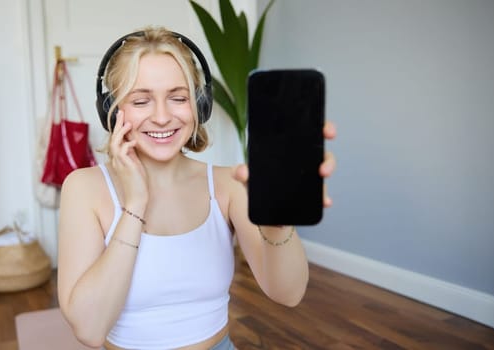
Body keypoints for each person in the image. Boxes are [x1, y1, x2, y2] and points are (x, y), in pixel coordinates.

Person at [57, 26, 337, 350]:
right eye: (141, 100)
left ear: (200, 105)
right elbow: (89, 329)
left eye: (178, 98)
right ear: (112, 110)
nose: (162, 117)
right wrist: (135, 204)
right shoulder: (84, 188)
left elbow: (288, 294)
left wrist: (278, 222)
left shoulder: (228, 185)